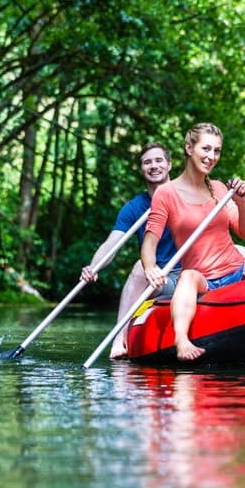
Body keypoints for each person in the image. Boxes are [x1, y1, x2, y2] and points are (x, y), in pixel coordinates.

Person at [141, 122, 245, 361]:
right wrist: (150, 267)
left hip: (235, 271)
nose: (211, 156)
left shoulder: (218, 188)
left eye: (217, 151)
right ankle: (181, 340)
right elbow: (150, 242)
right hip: (204, 281)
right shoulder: (166, 193)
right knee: (186, 276)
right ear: (188, 148)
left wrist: (242, 202)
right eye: (205, 149)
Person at [80, 142, 179, 359]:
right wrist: (94, 266)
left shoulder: (186, 194)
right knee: (139, 266)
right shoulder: (134, 207)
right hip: (161, 279)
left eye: (158, 160)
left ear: (169, 165)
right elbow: (112, 244)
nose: (153, 166)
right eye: (147, 162)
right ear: (142, 169)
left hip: (192, 274)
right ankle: (119, 339)